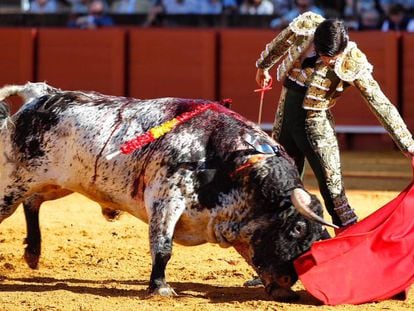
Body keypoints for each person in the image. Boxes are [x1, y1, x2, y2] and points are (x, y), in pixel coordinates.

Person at [255, 11, 414, 232]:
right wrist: (263, 66)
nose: (331, 62)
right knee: (280, 182)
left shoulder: (352, 60)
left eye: (335, 56)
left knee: (333, 192)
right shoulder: (307, 26)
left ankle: (348, 244)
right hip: (285, 116)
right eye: (326, 55)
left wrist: (408, 145)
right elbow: (281, 41)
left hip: (316, 124)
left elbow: (379, 102)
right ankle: (287, 245)